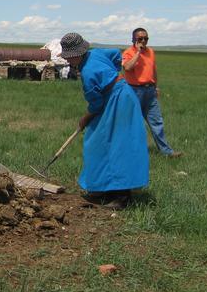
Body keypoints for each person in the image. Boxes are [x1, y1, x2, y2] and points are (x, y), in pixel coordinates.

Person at [59, 32, 149, 209]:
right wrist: (113, 74)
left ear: (77, 54)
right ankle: (102, 187)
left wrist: (85, 118)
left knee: (118, 145)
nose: (68, 61)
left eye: (70, 58)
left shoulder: (88, 73)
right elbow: (116, 54)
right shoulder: (97, 53)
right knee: (98, 142)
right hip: (119, 95)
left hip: (119, 101)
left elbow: (96, 104)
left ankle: (122, 197)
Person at [122, 28, 182, 158]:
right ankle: (129, 151)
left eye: (146, 38)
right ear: (133, 39)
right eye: (140, 39)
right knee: (133, 123)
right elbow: (127, 67)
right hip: (134, 91)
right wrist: (138, 52)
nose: (143, 41)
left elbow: (153, 70)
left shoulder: (151, 52)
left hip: (150, 91)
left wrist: (156, 87)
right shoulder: (128, 52)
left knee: (157, 122)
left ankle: (167, 152)